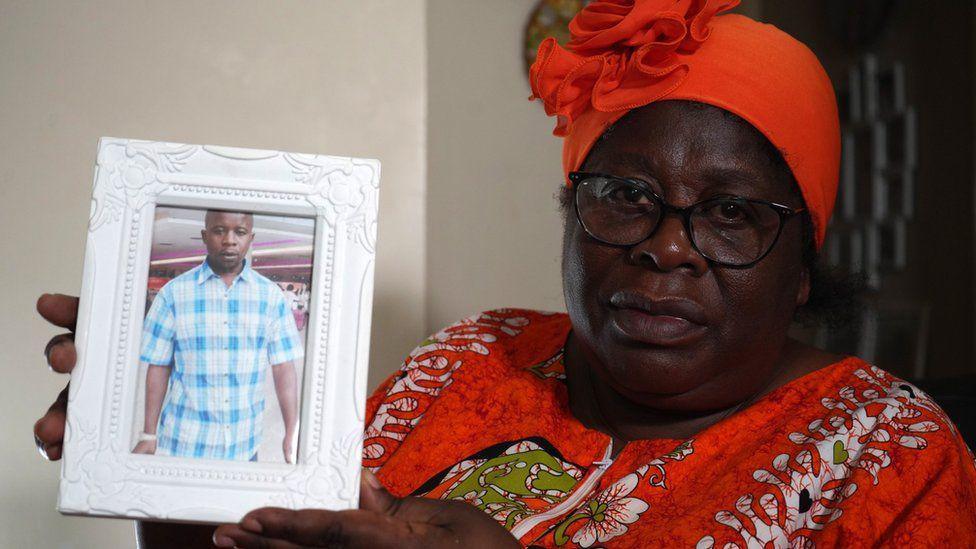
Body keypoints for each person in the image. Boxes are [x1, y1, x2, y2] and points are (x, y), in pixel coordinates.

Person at [33, 1, 976, 547]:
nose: (668, 246)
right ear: (571, 211)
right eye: (624, 194)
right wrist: (177, 497)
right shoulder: (471, 358)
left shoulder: (891, 456)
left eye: (732, 213)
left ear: (803, 265)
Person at [133, 209, 304, 463]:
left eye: (240, 232)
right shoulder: (172, 295)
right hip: (185, 445)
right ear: (205, 235)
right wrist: (149, 434)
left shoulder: (271, 297)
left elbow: (284, 369)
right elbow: (158, 367)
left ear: (251, 238)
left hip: (245, 447)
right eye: (219, 230)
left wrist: (292, 430)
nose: (229, 240)